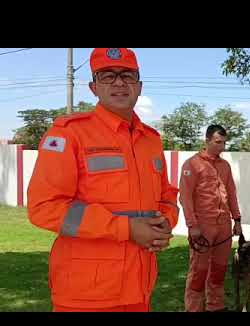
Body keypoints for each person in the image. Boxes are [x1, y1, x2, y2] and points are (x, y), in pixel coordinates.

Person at [27, 48, 179, 312]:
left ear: (139, 86)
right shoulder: (69, 134)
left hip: (140, 286)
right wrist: (127, 229)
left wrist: (164, 223)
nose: (119, 82)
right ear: (93, 87)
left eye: (127, 75)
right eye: (108, 76)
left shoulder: (150, 139)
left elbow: (166, 195)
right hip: (85, 292)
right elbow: (45, 207)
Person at [179, 125, 242, 312]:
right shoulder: (192, 164)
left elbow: (231, 193)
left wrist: (237, 219)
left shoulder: (225, 166)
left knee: (219, 269)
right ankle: (194, 308)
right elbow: (185, 197)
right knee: (198, 272)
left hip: (224, 225)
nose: (222, 147)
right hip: (202, 226)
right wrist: (192, 226)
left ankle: (215, 306)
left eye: (224, 143)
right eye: (217, 142)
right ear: (206, 141)